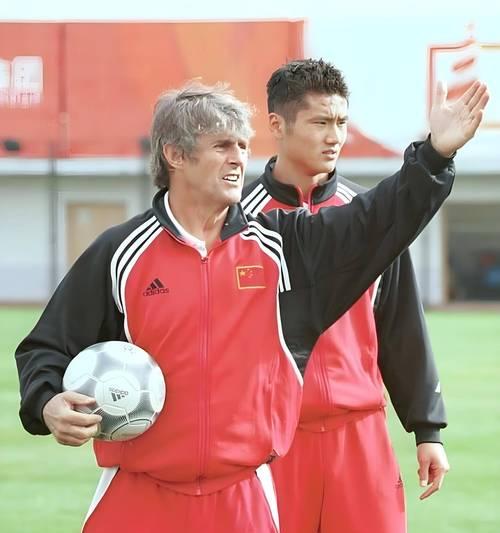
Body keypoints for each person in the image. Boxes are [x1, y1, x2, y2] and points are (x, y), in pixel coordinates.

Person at [15, 79, 487, 533]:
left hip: (242, 499)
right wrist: (48, 401)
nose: (238, 158)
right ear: (176, 155)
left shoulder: (284, 250)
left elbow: (376, 220)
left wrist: (434, 156)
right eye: (222, 146)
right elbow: (46, 348)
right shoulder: (121, 253)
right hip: (138, 493)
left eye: (242, 146)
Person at [242, 59, 487, 533]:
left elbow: (400, 324)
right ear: (277, 125)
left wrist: (427, 429)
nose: (335, 136)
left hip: (360, 440)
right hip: (274, 441)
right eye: (320, 122)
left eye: (341, 122)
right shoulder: (239, 223)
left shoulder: (370, 217)